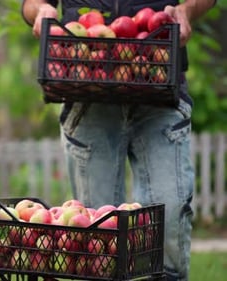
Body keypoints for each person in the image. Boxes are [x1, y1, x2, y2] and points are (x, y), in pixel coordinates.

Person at [21, 0, 216, 280]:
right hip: (86, 86)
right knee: (94, 236)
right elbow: (33, 3)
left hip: (159, 80)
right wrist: (41, 11)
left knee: (169, 215)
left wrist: (186, 11)